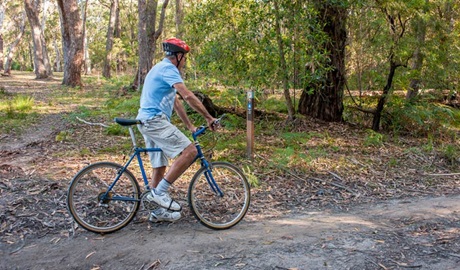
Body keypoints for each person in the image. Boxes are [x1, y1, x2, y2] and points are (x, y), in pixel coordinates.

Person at [136, 38, 217, 222]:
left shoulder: (159, 68)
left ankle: (157, 211)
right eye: (185, 58)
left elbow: (175, 101)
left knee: (159, 166)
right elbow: (187, 95)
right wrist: (208, 117)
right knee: (191, 151)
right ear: (178, 56)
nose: (186, 62)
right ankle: (160, 193)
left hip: (147, 121)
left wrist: (189, 126)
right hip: (155, 120)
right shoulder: (169, 69)